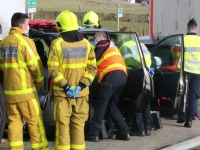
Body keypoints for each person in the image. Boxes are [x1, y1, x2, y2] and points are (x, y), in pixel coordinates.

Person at [47, 10, 97, 149]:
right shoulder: (87, 44)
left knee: (63, 126)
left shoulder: (57, 44)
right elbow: (92, 69)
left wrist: (66, 87)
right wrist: (80, 86)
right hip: (81, 94)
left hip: (62, 94)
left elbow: (53, 70)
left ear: (60, 26)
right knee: (78, 125)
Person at [0, 12, 49, 149]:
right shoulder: (26, 42)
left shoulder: (3, 43)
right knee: (35, 122)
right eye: (27, 24)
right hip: (26, 92)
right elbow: (35, 66)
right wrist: (40, 82)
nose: (28, 27)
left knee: (14, 122)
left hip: (9, 93)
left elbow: (2, 67)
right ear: (21, 25)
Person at [86, 31, 130, 142]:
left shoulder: (104, 42)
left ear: (100, 37)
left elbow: (93, 59)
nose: (94, 41)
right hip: (121, 76)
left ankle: (93, 134)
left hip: (111, 74)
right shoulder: (112, 46)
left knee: (101, 104)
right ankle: (124, 132)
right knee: (111, 105)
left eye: (94, 38)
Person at [119, 26, 156, 136]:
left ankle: (138, 128)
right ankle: (148, 127)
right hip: (148, 75)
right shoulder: (141, 45)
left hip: (135, 75)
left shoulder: (124, 46)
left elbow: (127, 61)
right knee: (145, 101)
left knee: (135, 101)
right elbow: (152, 58)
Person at [177, 18, 200, 128]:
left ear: (187, 28)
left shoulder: (182, 40)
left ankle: (181, 115)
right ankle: (190, 119)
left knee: (182, 94)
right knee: (193, 96)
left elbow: (177, 57)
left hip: (185, 71)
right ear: (196, 28)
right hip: (197, 72)